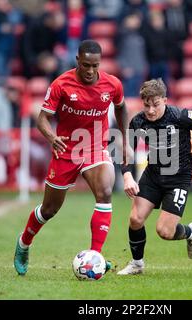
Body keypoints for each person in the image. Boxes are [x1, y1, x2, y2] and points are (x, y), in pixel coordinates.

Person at [14, 40, 128, 276]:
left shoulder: (112, 84)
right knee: (49, 209)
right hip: (66, 149)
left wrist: (126, 139)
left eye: (95, 65)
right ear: (77, 60)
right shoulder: (61, 84)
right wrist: (52, 137)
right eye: (86, 65)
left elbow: (121, 107)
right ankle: (24, 243)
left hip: (95, 146)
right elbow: (42, 119)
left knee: (105, 191)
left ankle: (95, 255)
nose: (90, 70)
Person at [117, 79, 192, 275]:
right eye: (146, 105)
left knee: (165, 232)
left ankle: (191, 231)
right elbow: (126, 151)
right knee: (135, 219)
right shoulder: (138, 121)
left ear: (165, 100)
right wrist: (127, 175)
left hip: (178, 178)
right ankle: (137, 264)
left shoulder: (180, 116)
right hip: (153, 174)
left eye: (155, 104)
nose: (150, 110)